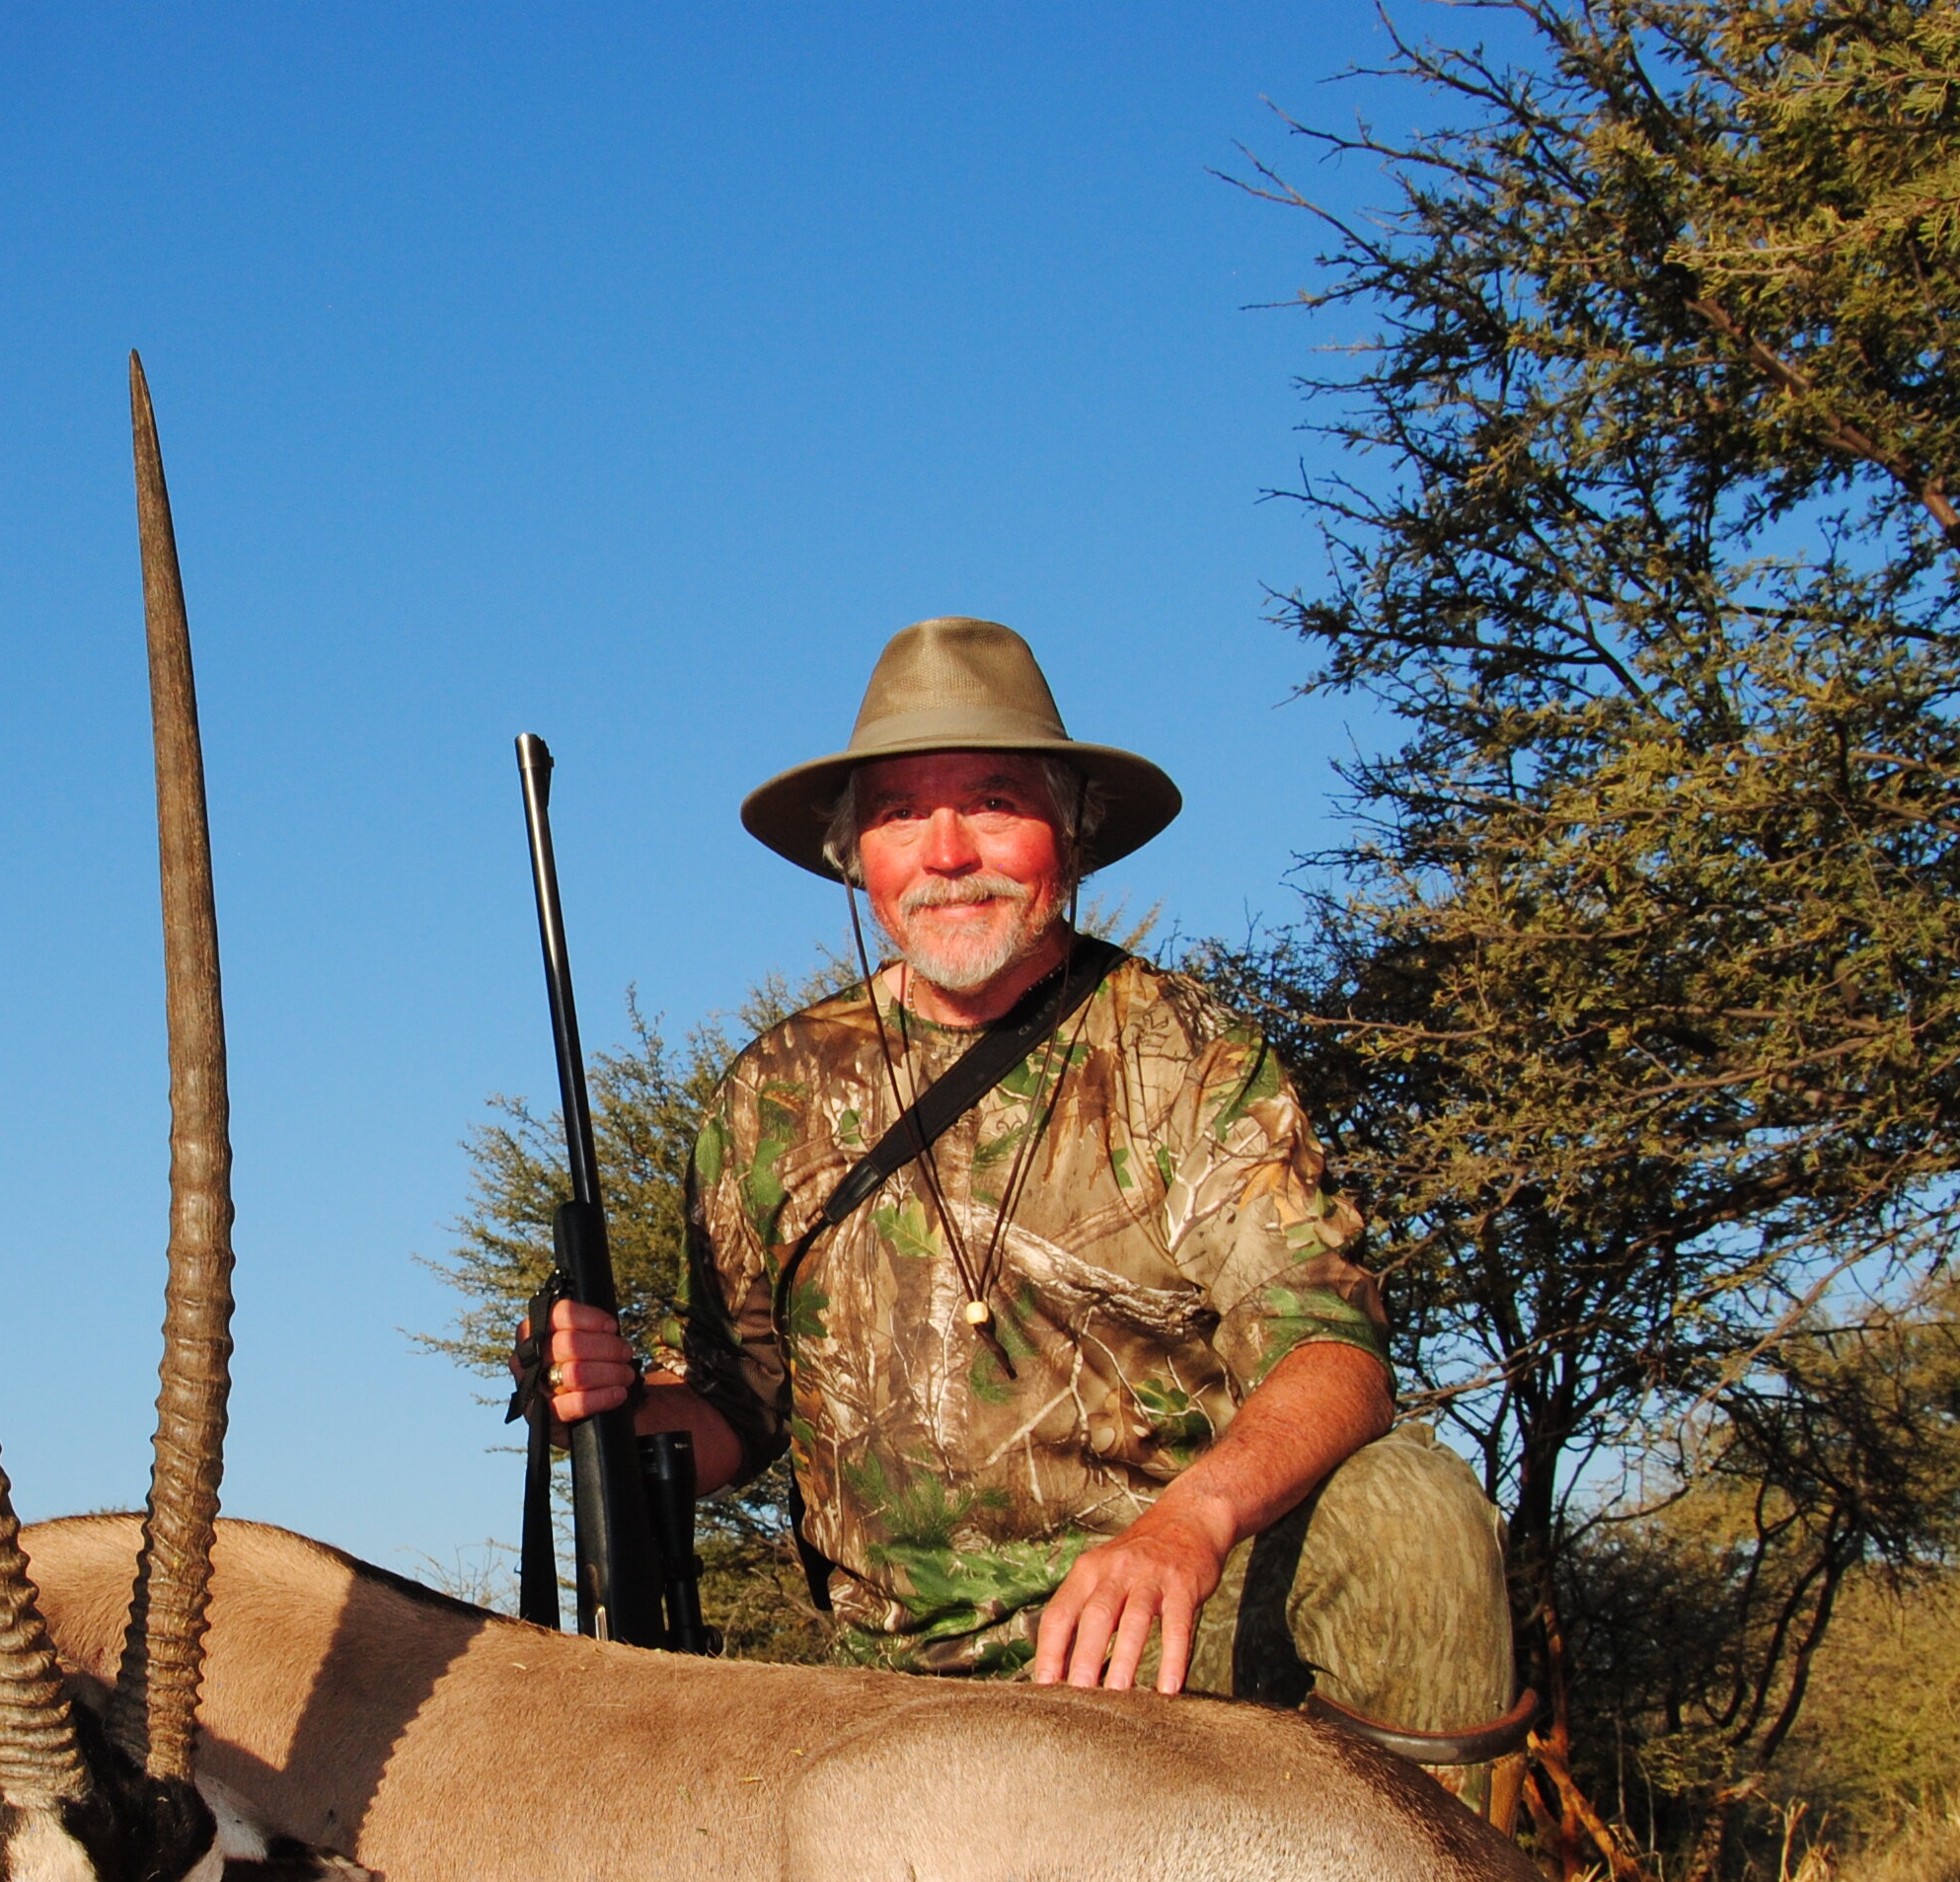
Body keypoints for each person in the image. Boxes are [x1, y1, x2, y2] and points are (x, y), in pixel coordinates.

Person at [540, 617, 1513, 1731]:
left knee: (1413, 1517)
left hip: (1162, 1638)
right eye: (901, 814)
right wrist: (599, 1399)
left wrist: (1181, 1527)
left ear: (1074, 829)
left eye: (993, 801)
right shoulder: (771, 1093)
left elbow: (1331, 1350)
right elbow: (733, 1407)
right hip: (892, 1688)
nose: (946, 853)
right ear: (852, 855)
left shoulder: (1188, 1051)